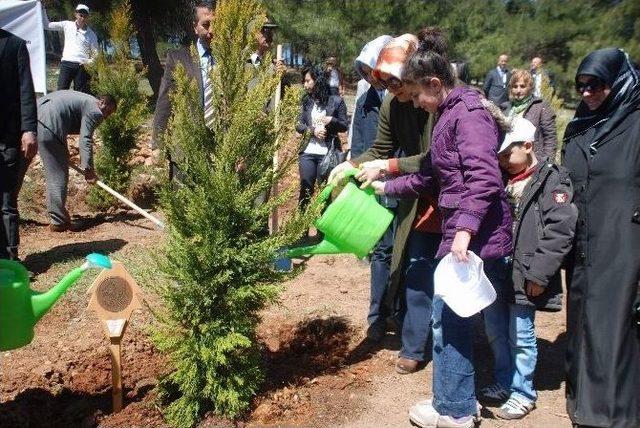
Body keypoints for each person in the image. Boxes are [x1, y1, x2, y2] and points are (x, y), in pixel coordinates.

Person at [365, 30, 512, 428]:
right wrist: (386, 185)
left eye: (416, 95)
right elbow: (431, 175)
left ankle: (457, 410)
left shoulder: (470, 115)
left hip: (474, 237)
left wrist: (463, 229)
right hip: (459, 230)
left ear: (434, 84)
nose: (413, 103)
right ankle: (450, 400)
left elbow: (484, 179)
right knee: (447, 320)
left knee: (449, 319)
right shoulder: (446, 113)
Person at [332, 32, 440, 373]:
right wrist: (350, 164)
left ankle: (414, 344)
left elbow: (433, 159)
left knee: (420, 265)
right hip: (409, 187)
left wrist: (389, 167)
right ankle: (407, 332)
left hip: (438, 195)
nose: (393, 89)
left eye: (397, 81)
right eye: (387, 83)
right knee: (402, 261)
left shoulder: (434, 103)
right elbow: (379, 148)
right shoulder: (393, 104)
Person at [562, 47, 640, 428]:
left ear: (620, 82)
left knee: (617, 327)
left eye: (597, 85)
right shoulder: (581, 124)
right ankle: (583, 406)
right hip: (584, 246)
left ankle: (617, 415)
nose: (587, 93)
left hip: (626, 244)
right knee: (583, 324)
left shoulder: (637, 123)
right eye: (581, 86)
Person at [492, 117, 577, 419]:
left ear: (527, 146)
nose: (502, 160)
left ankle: (523, 392)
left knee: (521, 335)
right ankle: (503, 380)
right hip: (497, 268)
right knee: (496, 330)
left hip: (526, 272)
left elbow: (560, 229)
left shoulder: (552, 180)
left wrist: (540, 274)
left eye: (506, 154)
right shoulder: (502, 177)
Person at [37, 90, 117, 231]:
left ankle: (7, 208)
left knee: (19, 166)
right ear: (103, 103)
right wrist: (88, 169)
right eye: (108, 112)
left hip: (34, 116)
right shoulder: (95, 111)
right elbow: (85, 139)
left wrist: (62, 152)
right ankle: (59, 221)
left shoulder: (86, 101)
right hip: (49, 123)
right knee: (58, 174)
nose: (106, 117)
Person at [152, 1, 215, 179]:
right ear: (195, 27)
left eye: (215, 24)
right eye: (206, 25)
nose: (211, 30)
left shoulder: (228, 60)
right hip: (185, 146)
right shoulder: (178, 59)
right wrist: (158, 143)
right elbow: (165, 101)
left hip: (219, 148)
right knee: (182, 201)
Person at [0, 29, 37, 261]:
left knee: (6, 200)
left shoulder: (14, 44)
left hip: (9, 136)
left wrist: (29, 129)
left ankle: (10, 260)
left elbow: (26, 89)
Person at [295, 65, 348, 210]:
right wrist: (312, 131)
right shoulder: (306, 101)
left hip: (328, 154)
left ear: (317, 80)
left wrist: (332, 121)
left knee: (325, 192)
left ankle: (322, 231)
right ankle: (301, 230)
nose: (305, 85)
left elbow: (344, 125)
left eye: (307, 81)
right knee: (305, 189)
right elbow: (298, 125)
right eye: (304, 82)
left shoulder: (336, 101)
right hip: (308, 152)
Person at [501, 69, 557, 161]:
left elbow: (550, 137)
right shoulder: (505, 108)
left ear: (530, 87)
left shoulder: (541, 106)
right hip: (508, 161)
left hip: (533, 162)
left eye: (522, 86)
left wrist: (547, 163)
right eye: (515, 86)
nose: (518, 90)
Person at [47, 4, 99, 94]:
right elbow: (47, 25)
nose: (82, 18)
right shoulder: (67, 25)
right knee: (61, 92)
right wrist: (42, 9)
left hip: (82, 66)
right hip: (66, 63)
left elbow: (96, 54)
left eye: (85, 16)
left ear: (88, 17)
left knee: (81, 94)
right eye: (81, 15)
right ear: (76, 14)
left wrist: (87, 62)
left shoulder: (92, 34)